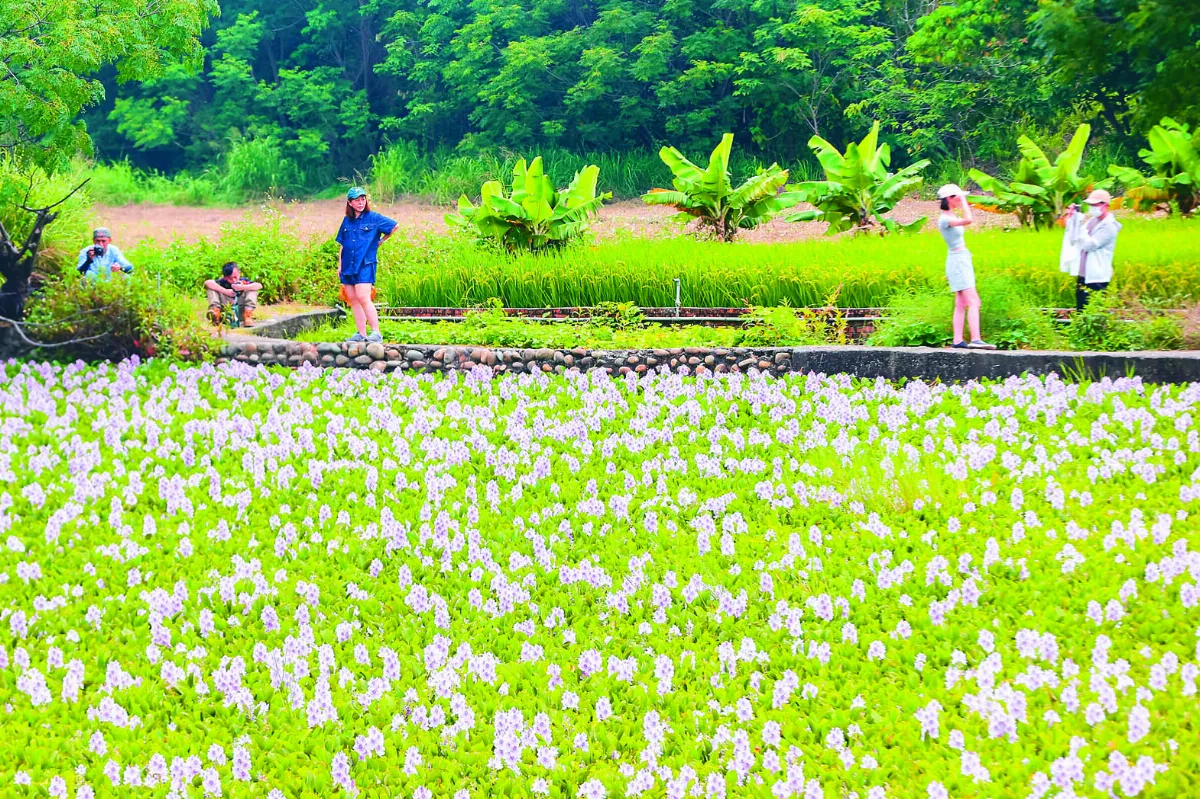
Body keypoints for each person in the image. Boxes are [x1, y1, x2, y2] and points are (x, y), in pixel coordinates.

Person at [936, 184, 995, 350]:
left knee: (961, 303)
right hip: (958, 261)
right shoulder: (945, 219)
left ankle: (957, 340)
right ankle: (976, 339)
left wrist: (961, 201)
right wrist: (965, 203)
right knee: (974, 301)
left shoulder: (950, 216)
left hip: (960, 259)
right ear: (949, 199)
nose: (961, 200)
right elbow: (969, 220)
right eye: (958, 197)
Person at [335, 187, 396, 343]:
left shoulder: (373, 218)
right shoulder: (347, 221)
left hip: (365, 263)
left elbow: (394, 226)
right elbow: (342, 245)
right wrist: (339, 265)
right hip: (348, 264)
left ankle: (376, 333)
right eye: (357, 199)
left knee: (363, 297)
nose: (360, 202)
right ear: (350, 202)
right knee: (353, 299)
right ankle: (361, 334)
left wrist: (381, 241)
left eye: (363, 199)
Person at [1061, 189, 1121, 311]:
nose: (1092, 208)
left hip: (1097, 277)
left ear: (1105, 205)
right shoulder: (1093, 221)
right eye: (1090, 205)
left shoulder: (1109, 226)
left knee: (1094, 313)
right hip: (1084, 274)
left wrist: (1079, 225)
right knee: (1081, 311)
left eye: (1095, 205)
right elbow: (1075, 237)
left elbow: (1089, 245)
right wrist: (1073, 219)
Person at [204, 262, 262, 327]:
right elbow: (207, 283)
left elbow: (259, 285)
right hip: (226, 309)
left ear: (239, 273)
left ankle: (248, 315)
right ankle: (215, 312)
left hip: (241, 309)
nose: (234, 280)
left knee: (252, 289)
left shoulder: (244, 281)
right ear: (225, 277)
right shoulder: (222, 282)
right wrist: (225, 291)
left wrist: (243, 287)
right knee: (212, 289)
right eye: (230, 278)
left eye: (235, 277)